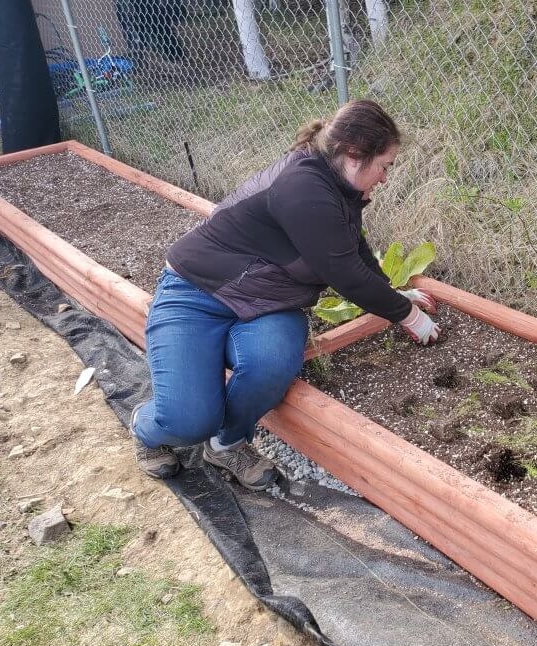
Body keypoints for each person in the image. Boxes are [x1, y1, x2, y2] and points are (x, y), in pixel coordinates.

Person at [130, 100, 439, 490]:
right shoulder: (303, 188)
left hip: (267, 303)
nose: (385, 177)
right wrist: (408, 316)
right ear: (354, 154)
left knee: (273, 362)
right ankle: (148, 427)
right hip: (196, 295)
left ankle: (227, 444)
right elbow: (346, 275)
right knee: (188, 420)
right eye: (385, 165)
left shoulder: (336, 183)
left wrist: (395, 294)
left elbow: (353, 250)